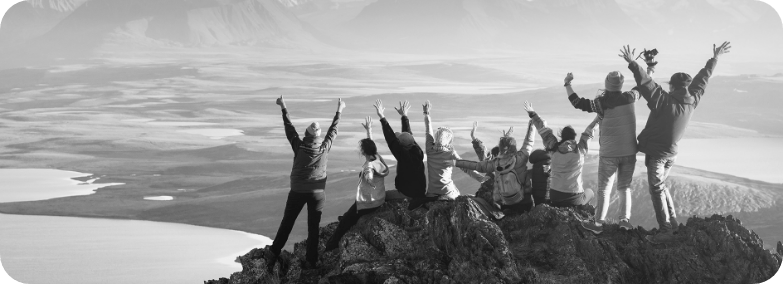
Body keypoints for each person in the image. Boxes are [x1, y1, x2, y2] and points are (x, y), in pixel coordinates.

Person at [619, 42, 731, 243]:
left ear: (672, 85)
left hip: (659, 156)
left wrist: (632, 63)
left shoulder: (664, 101)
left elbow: (645, 84)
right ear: (686, 86)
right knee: (662, 187)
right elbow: (703, 79)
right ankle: (673, 224)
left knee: (656, 190)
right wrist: (715, 59)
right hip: (672, 155)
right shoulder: (692, 99)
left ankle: (666, 231)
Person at [265, 95, 344, 270]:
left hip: (297, 191)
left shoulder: (298, 146)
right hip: (317, 194)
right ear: (318, 136)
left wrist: (283, 106)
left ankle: (273, 253)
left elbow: (289, 128)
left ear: (307, 134)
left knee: (288, 222)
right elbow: (333, 131)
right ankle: (311, 261)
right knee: (313, 228)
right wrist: (339, 110)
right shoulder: (324, 148)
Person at [565, 70, 646, 234]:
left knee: (604, 190)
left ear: (607, 84)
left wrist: (567, 84)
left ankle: (598, 224)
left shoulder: (600, 103)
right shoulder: (631, 97)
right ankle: (624, 221)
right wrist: (649, 69)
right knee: (625, 187)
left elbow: (577, 102)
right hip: (629, 152)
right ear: (621, 85)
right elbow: (643, 86)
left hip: (609, 153)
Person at [324, 117, 389, 251]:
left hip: (369, 203)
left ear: (363, 152)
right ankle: (351, 217)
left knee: (344, 223)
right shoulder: (377, 158)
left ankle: (330, 246)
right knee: (350, 214)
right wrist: (369, 130)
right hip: (379, 198)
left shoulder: (369, 166)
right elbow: (372, 146)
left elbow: (369, 174)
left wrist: (369, 180)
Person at [526, 101, 600, 207]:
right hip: (574, 197)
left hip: (555, 196)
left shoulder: (554, 148)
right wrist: (600, 116)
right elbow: (590, 130)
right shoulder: (580, 150)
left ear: (562, 136)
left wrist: (532, 114)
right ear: (574, 136)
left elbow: (543, 129)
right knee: (590, 192)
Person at [455, 119, 537, 213]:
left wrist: (474, 139)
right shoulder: (518, 160)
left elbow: (479, 162)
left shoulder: (494, 166)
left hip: (504, 205)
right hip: (524, 203)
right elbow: (527, 143)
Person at [421, 100, 482, 202]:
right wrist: (481, 178)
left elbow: (428, 131)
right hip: (448, 193)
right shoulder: (450, 154)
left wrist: (426, 114)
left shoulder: (429, 149)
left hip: (431, 194)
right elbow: (466, 167)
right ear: (448, 141)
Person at [373, 100, 428, 209]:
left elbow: (391, 139)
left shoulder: (404, 157)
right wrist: (404, 116)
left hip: (408, 194)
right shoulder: (416, 149)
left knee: (378, 196)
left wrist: (382, 117)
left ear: (402, 146)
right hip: (419, 191)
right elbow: (407, 135)